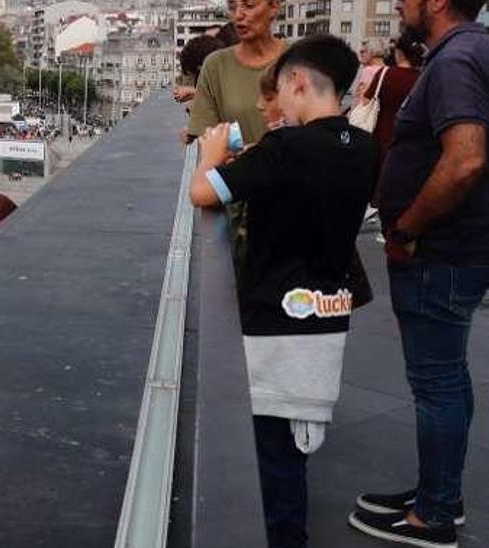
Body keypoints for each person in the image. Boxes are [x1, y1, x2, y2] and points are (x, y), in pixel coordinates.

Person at [188, 35, 374, 547]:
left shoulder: (286, 147)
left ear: (295, 82)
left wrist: (209, 154)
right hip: (326, 323)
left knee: (274, 469)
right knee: (291, 457)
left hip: (275, 327)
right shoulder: (362, 146)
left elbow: (203, 192)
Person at [351, 0, 489, 543]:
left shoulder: (457, 60)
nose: (398, 4)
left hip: (440, 253)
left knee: (436, 384)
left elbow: (466, 159)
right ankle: (440, 493)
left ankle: (433, 516)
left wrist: (406, 229)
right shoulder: (466, 52)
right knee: (449, 379)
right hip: (455, 251)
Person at [186, 0, 286, 145]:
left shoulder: (299, 58)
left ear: (274, 6)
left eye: (249, 5)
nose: (238, 15)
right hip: (238, 167)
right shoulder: (216, 66)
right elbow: (204, 140)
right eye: (232, 7)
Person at [359, 32, 426, 200]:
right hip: (411, 142)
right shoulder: (423, 78)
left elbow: (366, 100)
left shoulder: (385, 74)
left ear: (399, 52)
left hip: (382, 139)